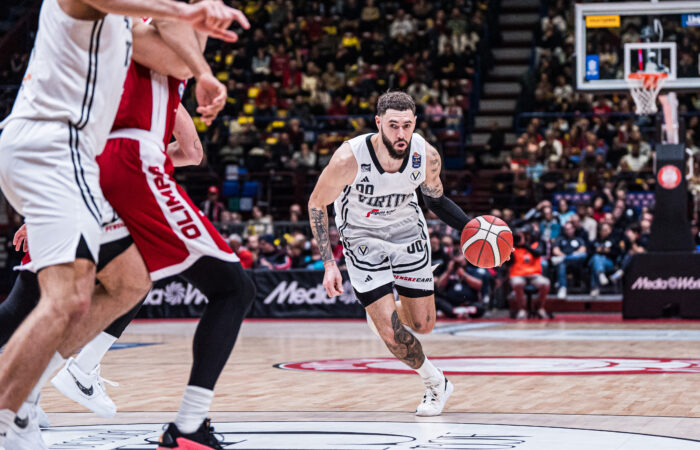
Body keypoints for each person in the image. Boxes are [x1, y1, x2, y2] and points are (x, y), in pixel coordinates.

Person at [0, 0, 248, 446]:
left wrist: (198, 48)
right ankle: (12, 409)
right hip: (66, 149)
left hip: (76, 159)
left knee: (126, 283)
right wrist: (194, 32)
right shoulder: (115, 16)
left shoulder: (125, 29)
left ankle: (30, 397)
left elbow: (174, 49)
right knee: (58, 299)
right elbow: (171, 38)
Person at [308, 92, 477, 416]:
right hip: (361, 237)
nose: (401, 133)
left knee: (423, 325)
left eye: (407, 126)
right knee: (391, 332)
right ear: (378, 123)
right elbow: (317, 203)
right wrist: (329, 263)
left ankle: (384, 311)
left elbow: (436, 200)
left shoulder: (425, 155)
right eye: (393, 125)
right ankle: (435, 382)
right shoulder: (348, 159)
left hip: (407, 232)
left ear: (415, 123)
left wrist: (472, 228)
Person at [508, 224, 550, 319]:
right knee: (517, 283)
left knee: (545, 283)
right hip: (518, 274)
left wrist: (525, 245)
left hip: (534, 275)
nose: (523, 237)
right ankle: (522, 309)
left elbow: (538, 253)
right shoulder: (513, 246)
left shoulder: (536, 244)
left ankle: (539, 307)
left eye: (525, 234)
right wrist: (511, 247)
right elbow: (509, 262)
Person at [552, 221, 588, 299]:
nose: (568, 231)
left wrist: (566, 257)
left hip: (576, 263)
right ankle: (563, 288)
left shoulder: (578, 239)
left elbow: (583, 250)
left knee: (583, 255)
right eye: (566, 229)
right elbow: (555, 250)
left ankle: (564, 259)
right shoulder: (560, 238)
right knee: (562, 264)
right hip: (564, 263)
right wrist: (563, 255)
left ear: (574, 229)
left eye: (570, 229)